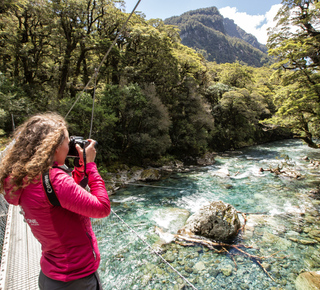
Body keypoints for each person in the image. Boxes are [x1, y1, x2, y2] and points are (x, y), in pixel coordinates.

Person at [0, 112, 111, 289]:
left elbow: (62, 198)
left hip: (50, 276)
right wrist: (91, 166)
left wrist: (80, 170)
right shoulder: (55, 180)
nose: (71, 147)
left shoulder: (21, 178)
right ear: (55, 147)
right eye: (68, 142)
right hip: (77, 279)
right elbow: (102, 208)